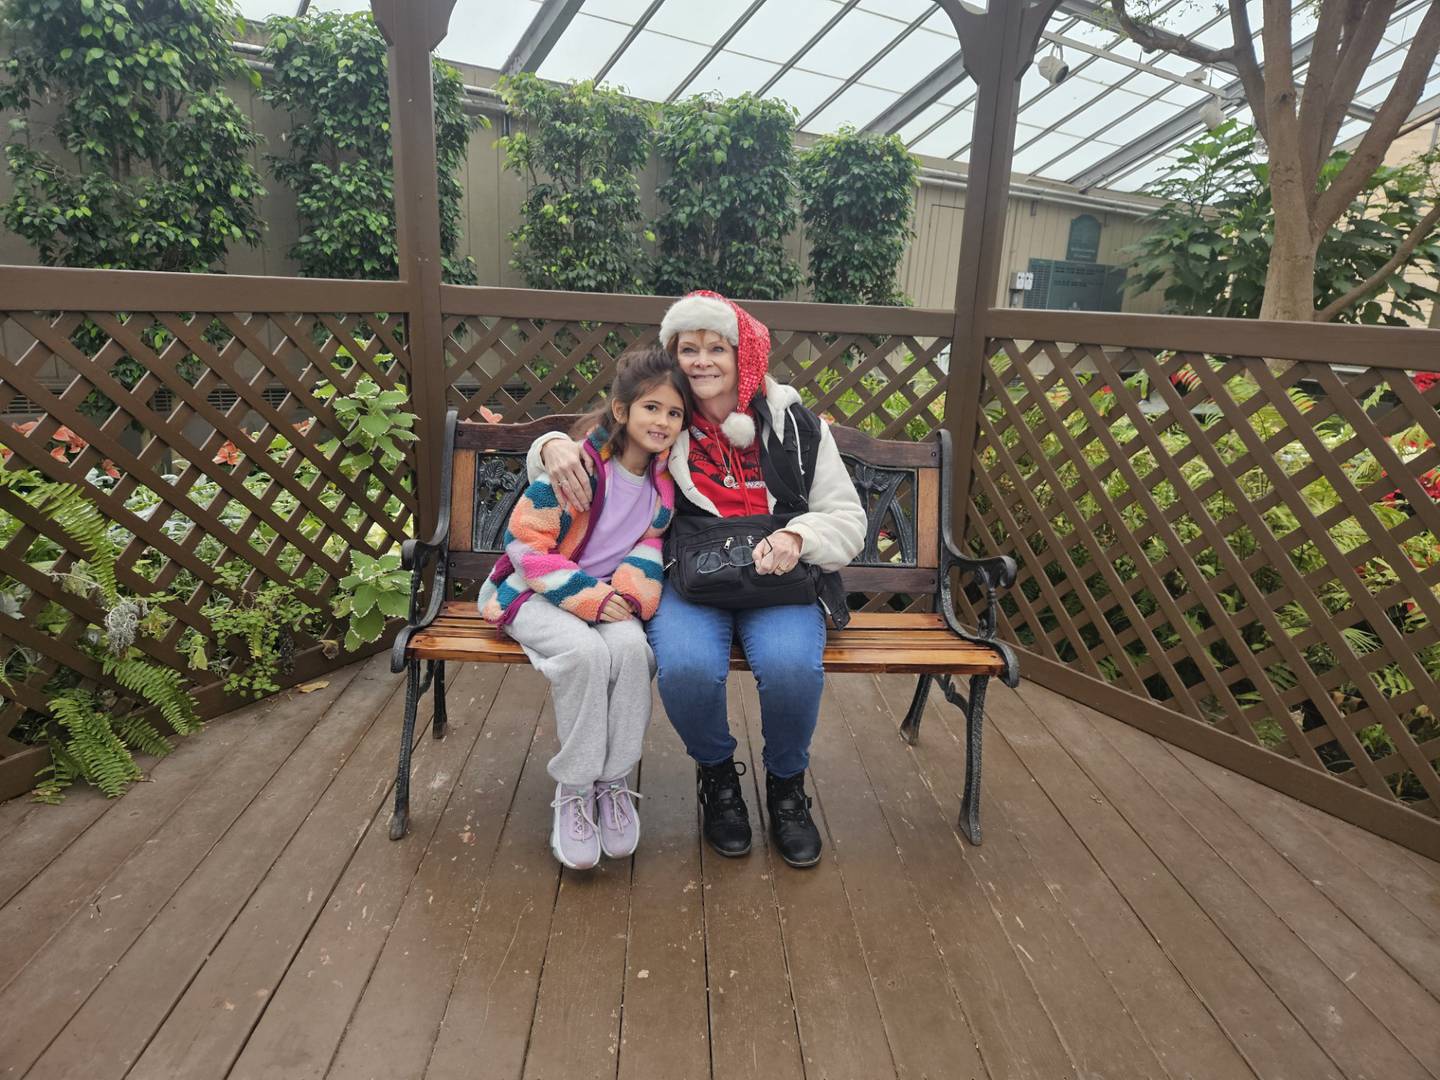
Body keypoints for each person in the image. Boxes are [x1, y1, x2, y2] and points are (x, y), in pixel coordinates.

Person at [530, 291, 865, 868]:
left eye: (717, 347)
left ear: (744, 355)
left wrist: (797, 537)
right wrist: (551, 443)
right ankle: (718, 778)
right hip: (692, 579)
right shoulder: (667, 418)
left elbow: (847, 517)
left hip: (776, 578)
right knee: (684, 668)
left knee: (790, 668)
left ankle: (786, 786)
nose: (702, 361)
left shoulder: (796, 427)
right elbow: (596, 435)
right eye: (688, 348)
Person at [479, 346, 686, 870]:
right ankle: (574, 789)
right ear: (622, 411)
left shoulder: (663, 488)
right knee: (587, 656)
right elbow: (526, 548)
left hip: (603, 599)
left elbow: (648, 546)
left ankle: (612, 782)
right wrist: (591, 600)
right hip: (533, 593)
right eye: (652, 408)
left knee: (635, 653)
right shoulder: (581, 471)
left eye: (674, 413)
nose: (662, 421)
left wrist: (630, 598)